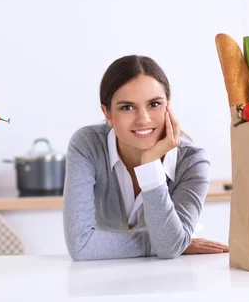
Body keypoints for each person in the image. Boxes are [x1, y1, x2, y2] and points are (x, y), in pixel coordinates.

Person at [63, 55, 229, 261]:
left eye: (154, 104)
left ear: (169, 103)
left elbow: (169, 248)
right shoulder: (88, 145)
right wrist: (171, 243)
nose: (144, 119)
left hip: (171, 279)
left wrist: (150, 165)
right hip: (101, 280)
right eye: (127, 107)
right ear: (106, 113)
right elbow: (82, 246)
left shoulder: (192, 161)